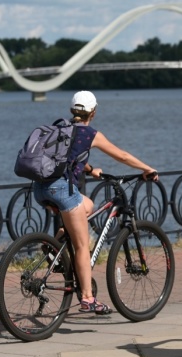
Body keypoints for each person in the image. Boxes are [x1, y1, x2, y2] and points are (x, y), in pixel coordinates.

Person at [33, 90, 158, 315]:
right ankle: (88, 299)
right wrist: (146, 168)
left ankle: (56, 245)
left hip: (40, 188)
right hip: (62, 190)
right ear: (93, 111)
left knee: (88, 205)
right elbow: (122, 156)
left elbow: (66, 158)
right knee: (82, 246)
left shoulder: (60, 127)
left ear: (73, 110)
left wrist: (90, 170)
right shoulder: (90, 133)